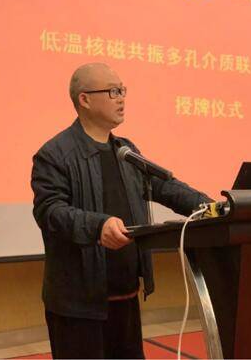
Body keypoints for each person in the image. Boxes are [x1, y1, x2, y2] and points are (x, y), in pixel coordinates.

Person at [31, 62, 212, 359]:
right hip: (77, 307)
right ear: (85, 99)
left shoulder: (125, 152)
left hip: (126, 297)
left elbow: (166, 187)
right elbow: (50, 212)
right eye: (113, 91)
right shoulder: (54, 154)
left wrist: (211, 206)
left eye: (123, 90)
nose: (121, 98)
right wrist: (98, 226)